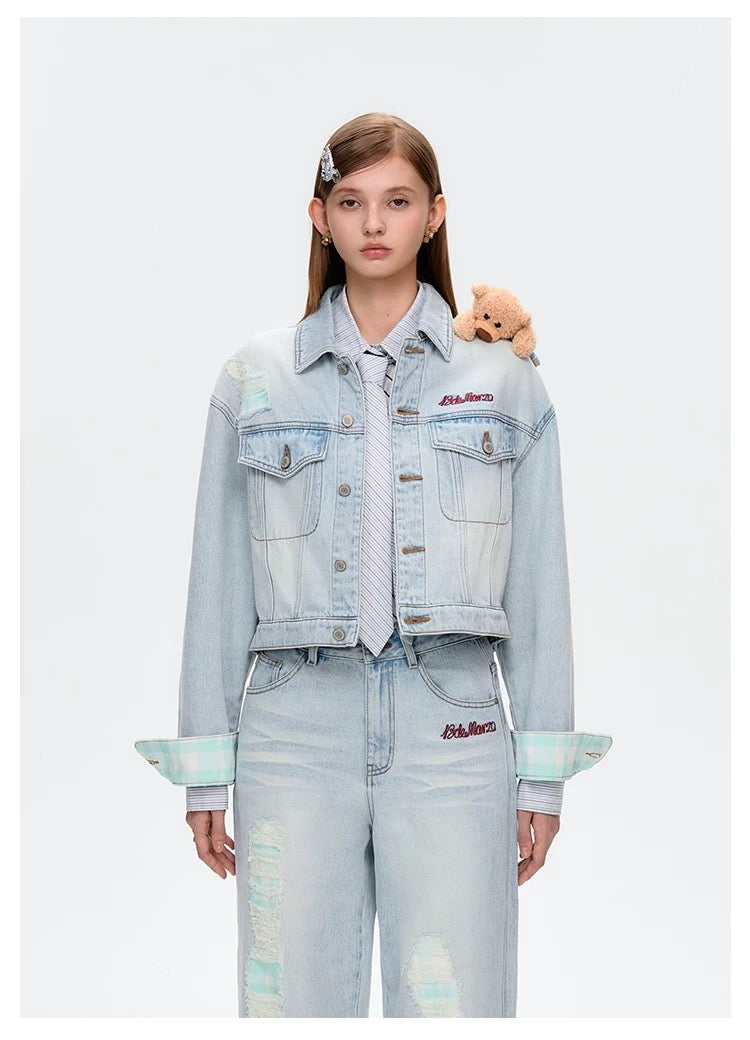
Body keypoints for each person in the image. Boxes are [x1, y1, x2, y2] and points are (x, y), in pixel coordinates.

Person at [135, 111, 612, 1018]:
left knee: (458, 1006)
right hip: (292, 731)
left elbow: (540, 583)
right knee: (291, 1006)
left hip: (455, 726)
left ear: (435, 215)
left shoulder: (504, 378)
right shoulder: (255, 380)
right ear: (320, 218)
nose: (374, 223)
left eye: (397, 201)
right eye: (351, 202)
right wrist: (206, 765)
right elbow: (218, 583)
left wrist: (541, 770)